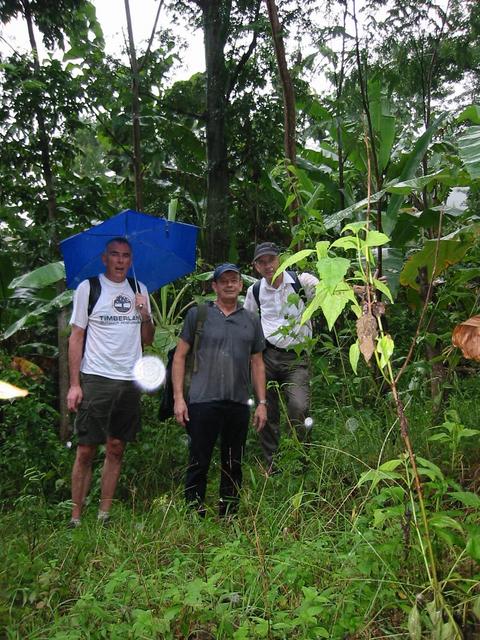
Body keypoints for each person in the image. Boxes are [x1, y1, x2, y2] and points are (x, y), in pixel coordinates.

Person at [66, 237, 155, 527]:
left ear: (131, 260)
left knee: (117, 446)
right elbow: (76, 336)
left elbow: (148, 340)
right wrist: (75, 384)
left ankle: (104, 514)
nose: (120, 260)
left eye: (126, 256)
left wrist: (144, 314)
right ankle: (76, 516)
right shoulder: (88, 288)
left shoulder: (139, 289)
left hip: (129, 380)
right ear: (105, 258)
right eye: (115, 255)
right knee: (86, 448)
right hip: (96, 377)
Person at [172, 263, 267, 517]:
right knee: (198, 461)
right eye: (223, 280)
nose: (229, 284)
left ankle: (229, 515)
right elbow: (180, 357)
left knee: (233, 462)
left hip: (237, 402)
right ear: (214, 286)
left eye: (233, 280)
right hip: (203, 401)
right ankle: (193, 514)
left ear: (240, 285)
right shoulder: (199, 315)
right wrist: (179, 399)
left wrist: (262, 402)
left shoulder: (251, 319)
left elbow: (257, 362)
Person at [243, 242, 319, 471]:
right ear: (256, 266)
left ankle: (301, 460)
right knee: (266, 410)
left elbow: (331, 289)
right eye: (262, 262)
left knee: (299, 406)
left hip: (296, 357)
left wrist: (362, 288)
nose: (268, 266)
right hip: (266, 356)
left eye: (271, 260)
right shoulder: (255, 291)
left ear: (280, 259)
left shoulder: (301, 281)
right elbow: (248, 322)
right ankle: (271, 464)